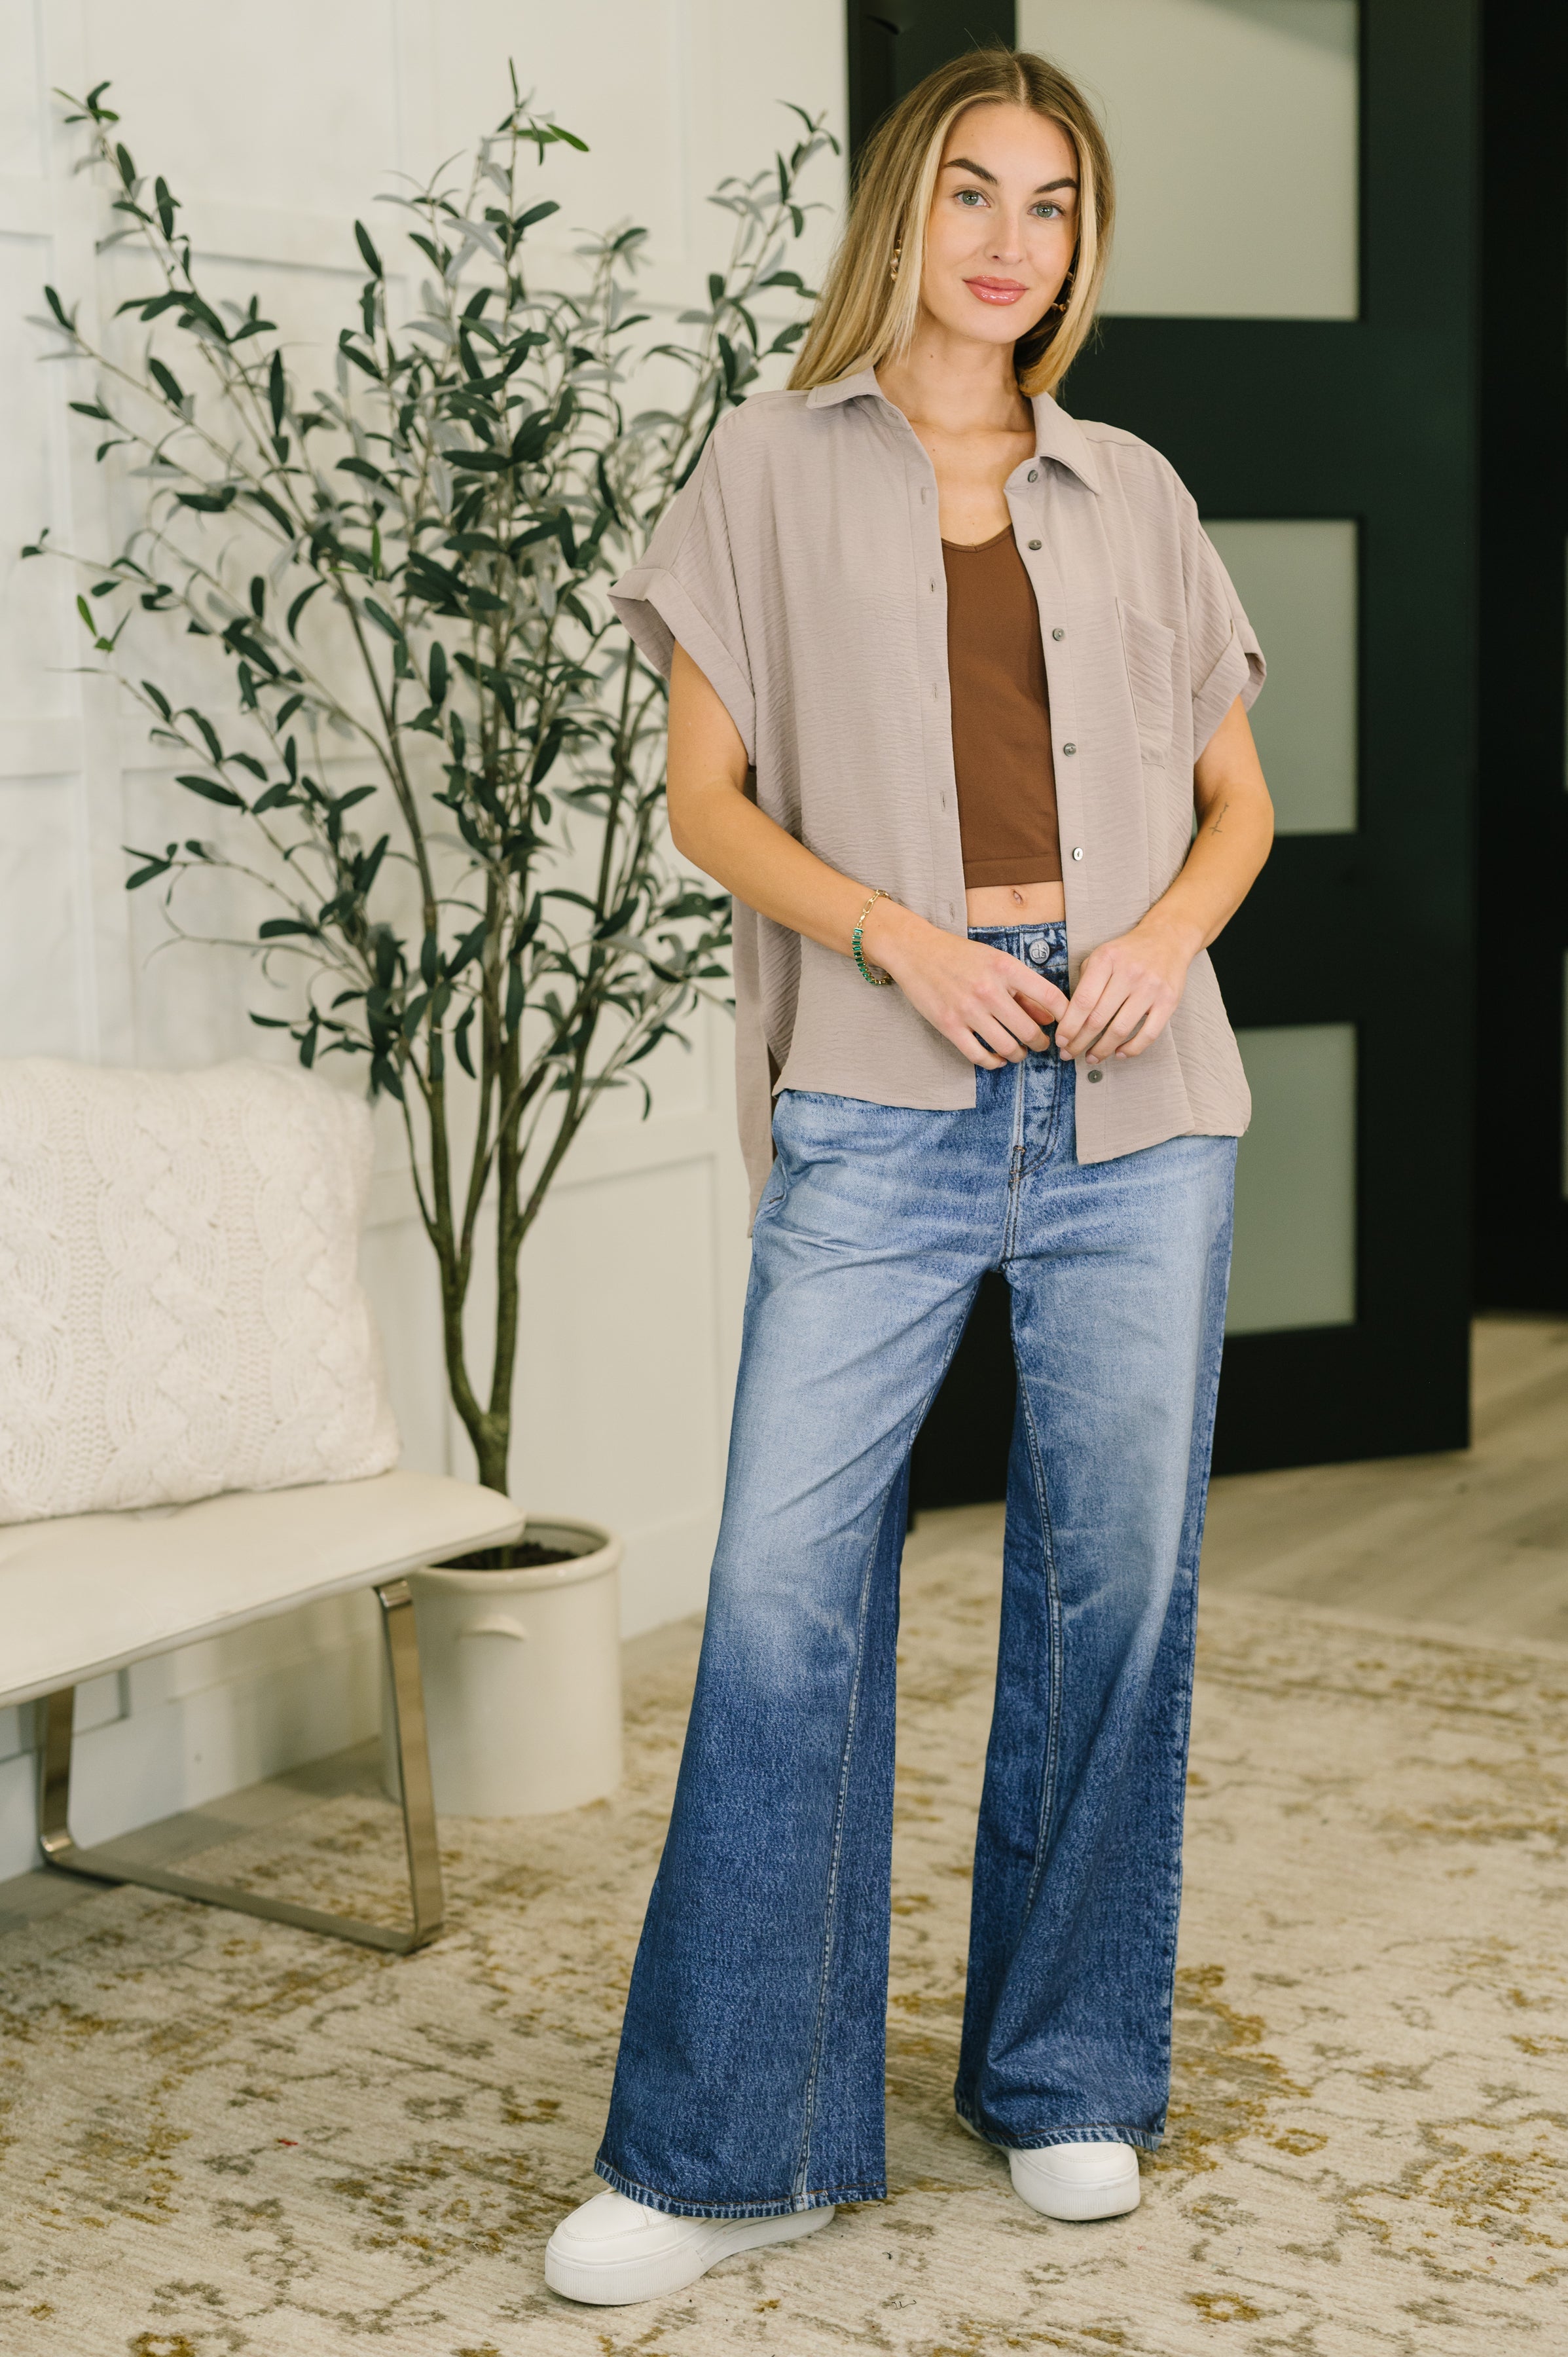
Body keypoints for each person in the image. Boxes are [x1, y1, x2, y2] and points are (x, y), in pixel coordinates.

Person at [545, 45, 1271, 2309]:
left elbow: (1235, 805)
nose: (1008, 239)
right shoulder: (766, 470)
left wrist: (1152, 939)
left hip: (1138, 1093)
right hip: (885, 1066)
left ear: (1077, 246)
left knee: (1113, 1587)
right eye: (972, 190)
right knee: (780, 1590)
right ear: (903, 210)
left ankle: (1061, 2077)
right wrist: (892, 936)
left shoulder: (1133, 486)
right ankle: (727, 2138)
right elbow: (707, 802)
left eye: (1051, 206)